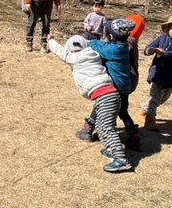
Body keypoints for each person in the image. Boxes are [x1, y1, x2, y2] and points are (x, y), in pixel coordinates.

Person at [47, 34, 132, 173]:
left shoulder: (74, 58)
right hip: (111, 95)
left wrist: (50, 40)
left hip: (105, 97)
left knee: (106, 128)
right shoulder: (95, 55)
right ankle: (113, 150)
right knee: (101, 126)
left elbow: (60, 52)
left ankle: (121, 159)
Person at [76, 19, 138, 143]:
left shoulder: (114, 50)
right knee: (122, 111)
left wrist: (85, 40)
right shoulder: (125, 45)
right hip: (125, 86)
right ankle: (134, 138)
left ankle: (88, 131)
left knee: (101, 107)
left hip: (114, 86)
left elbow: (96, 45)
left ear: (110, 35)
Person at [138, 14, 172, 131]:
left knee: (163, 98)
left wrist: (164, 53)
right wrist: (149, 51)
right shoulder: (161, 38)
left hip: (171, 76)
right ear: (168, 29)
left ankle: (143, 110)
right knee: (155, 98)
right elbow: (149, 47)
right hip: (157, 73)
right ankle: (150, 120)